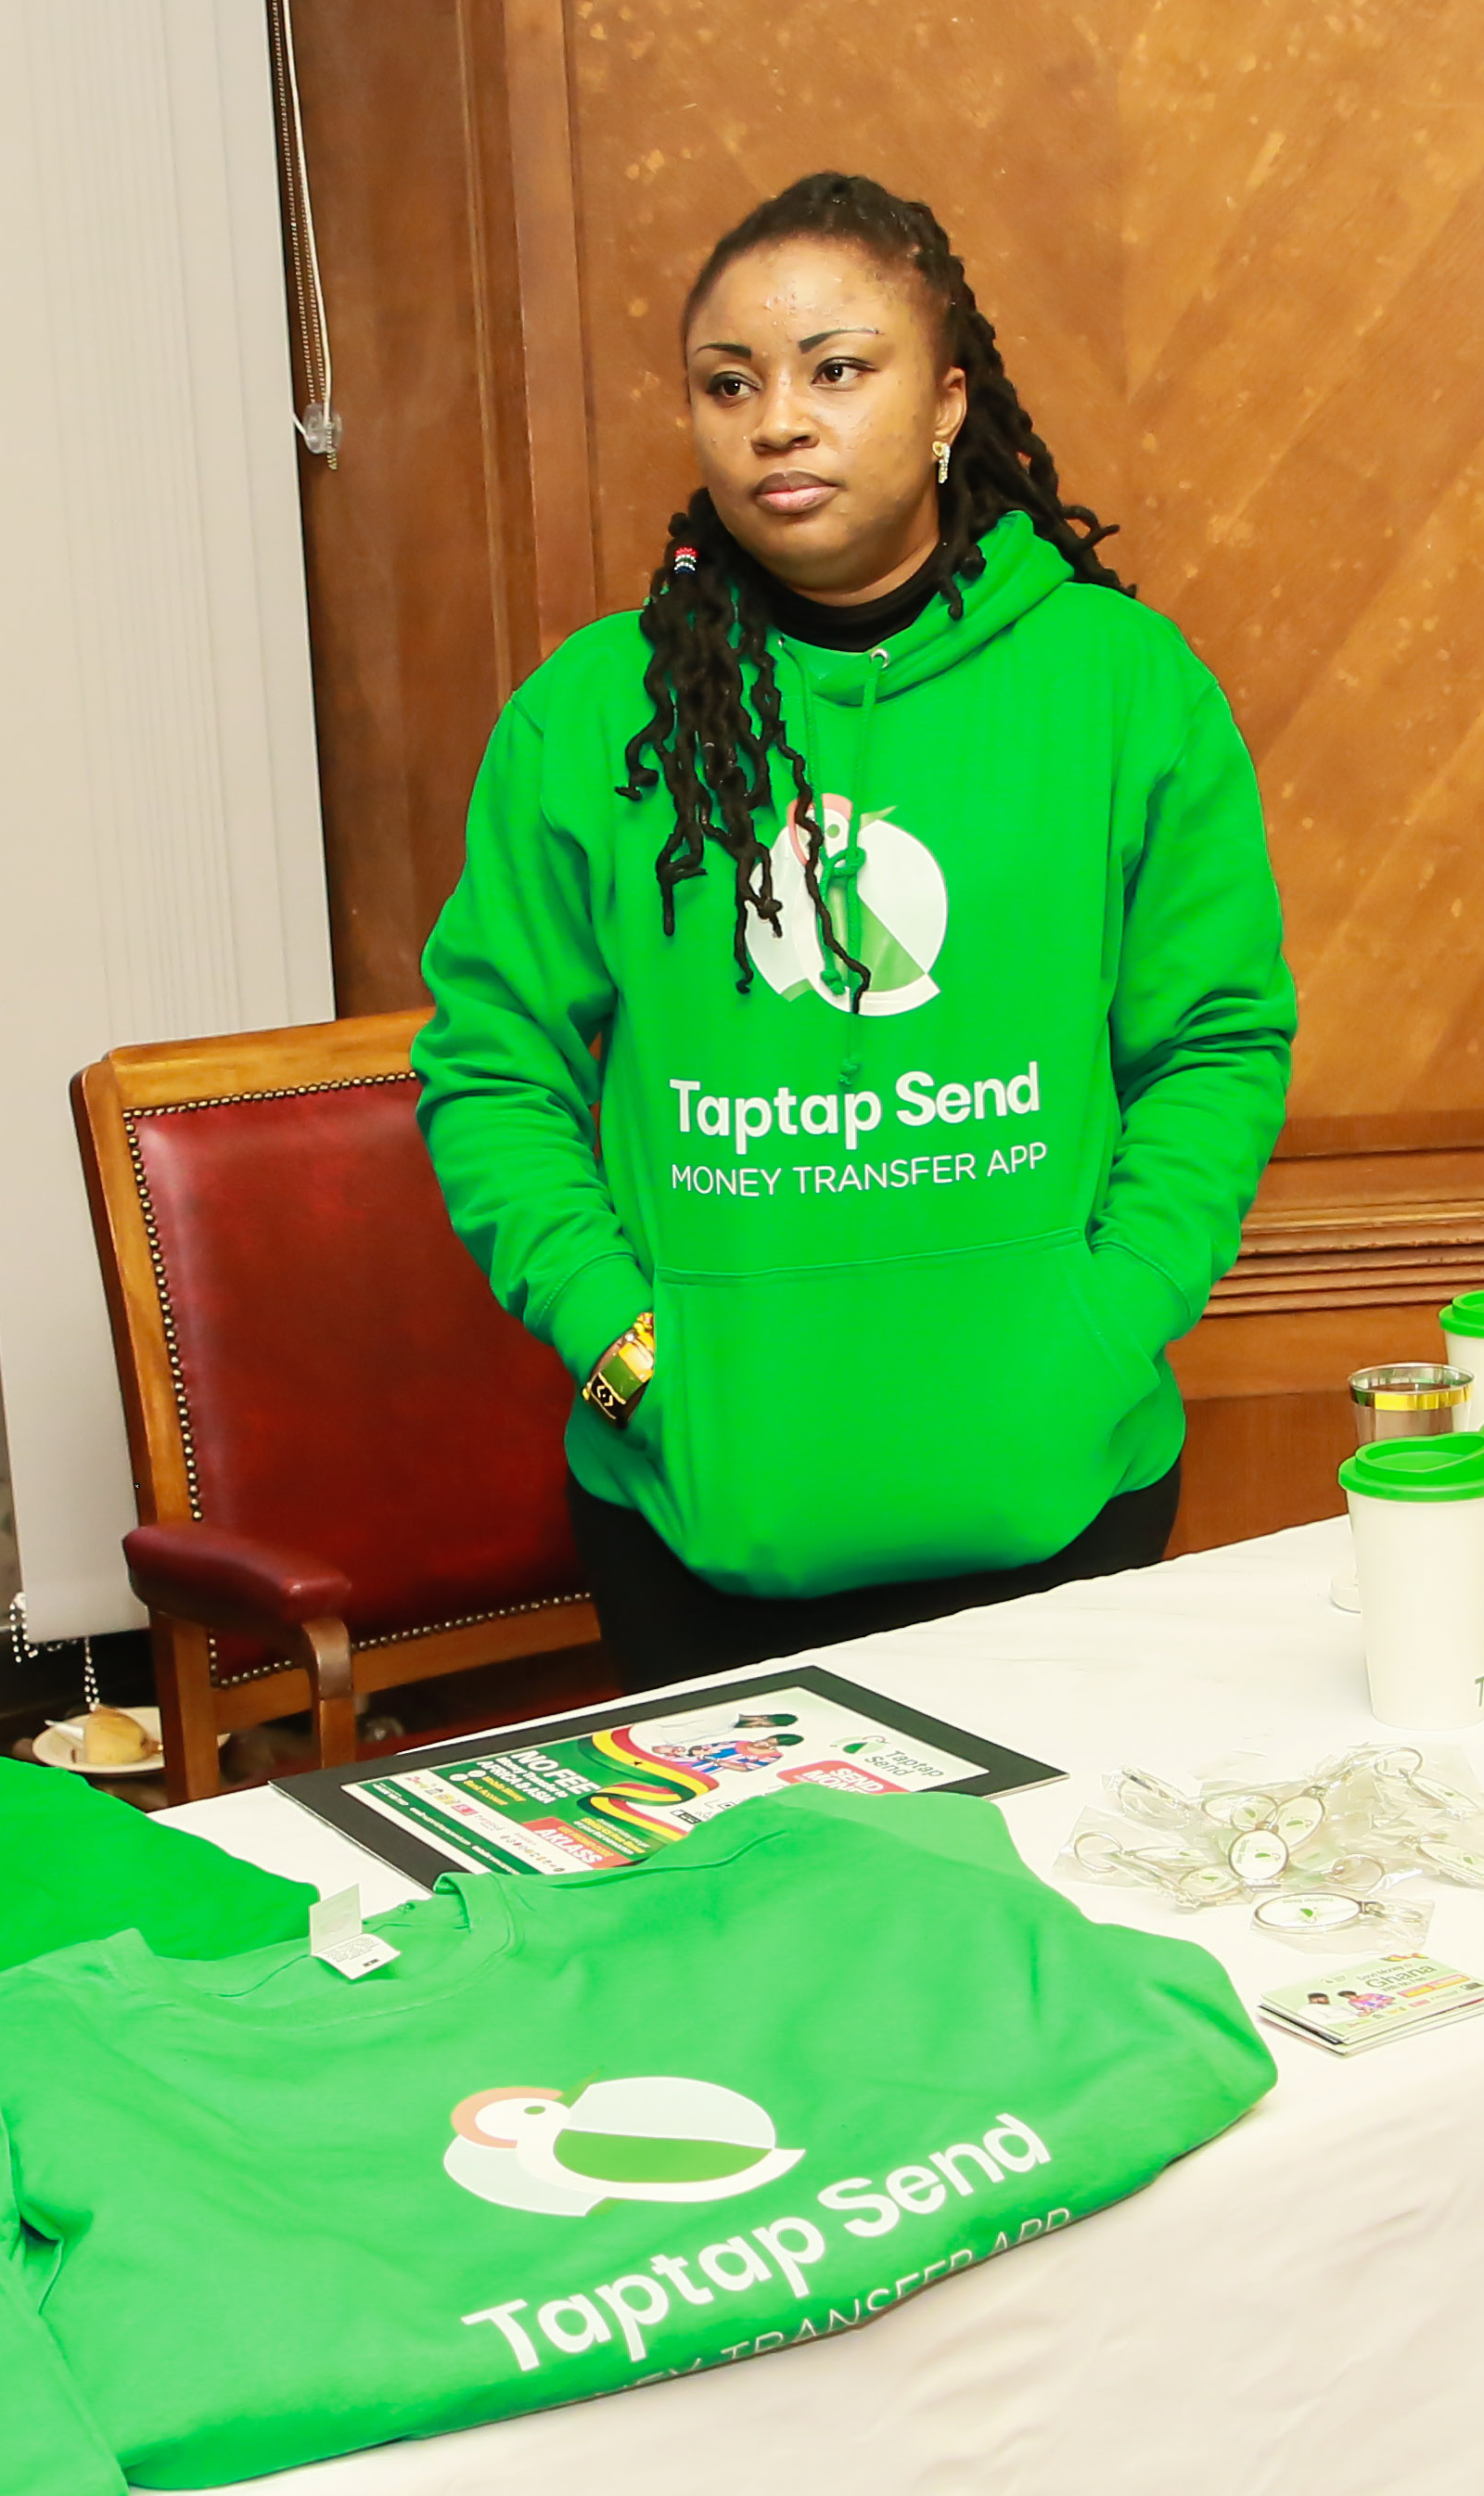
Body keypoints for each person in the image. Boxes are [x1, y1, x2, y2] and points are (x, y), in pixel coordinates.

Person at [416, 173, 1297, 1686]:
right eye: (730, 383)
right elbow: (493, 1073)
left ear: (947, 402)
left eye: (836, 369)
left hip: (1058, 1504)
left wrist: (1105, 1326)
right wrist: (629, 1357)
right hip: (696, 1523)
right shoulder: (588, 716)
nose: (778, 422)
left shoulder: (1120, 685)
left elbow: (1217, 1043)